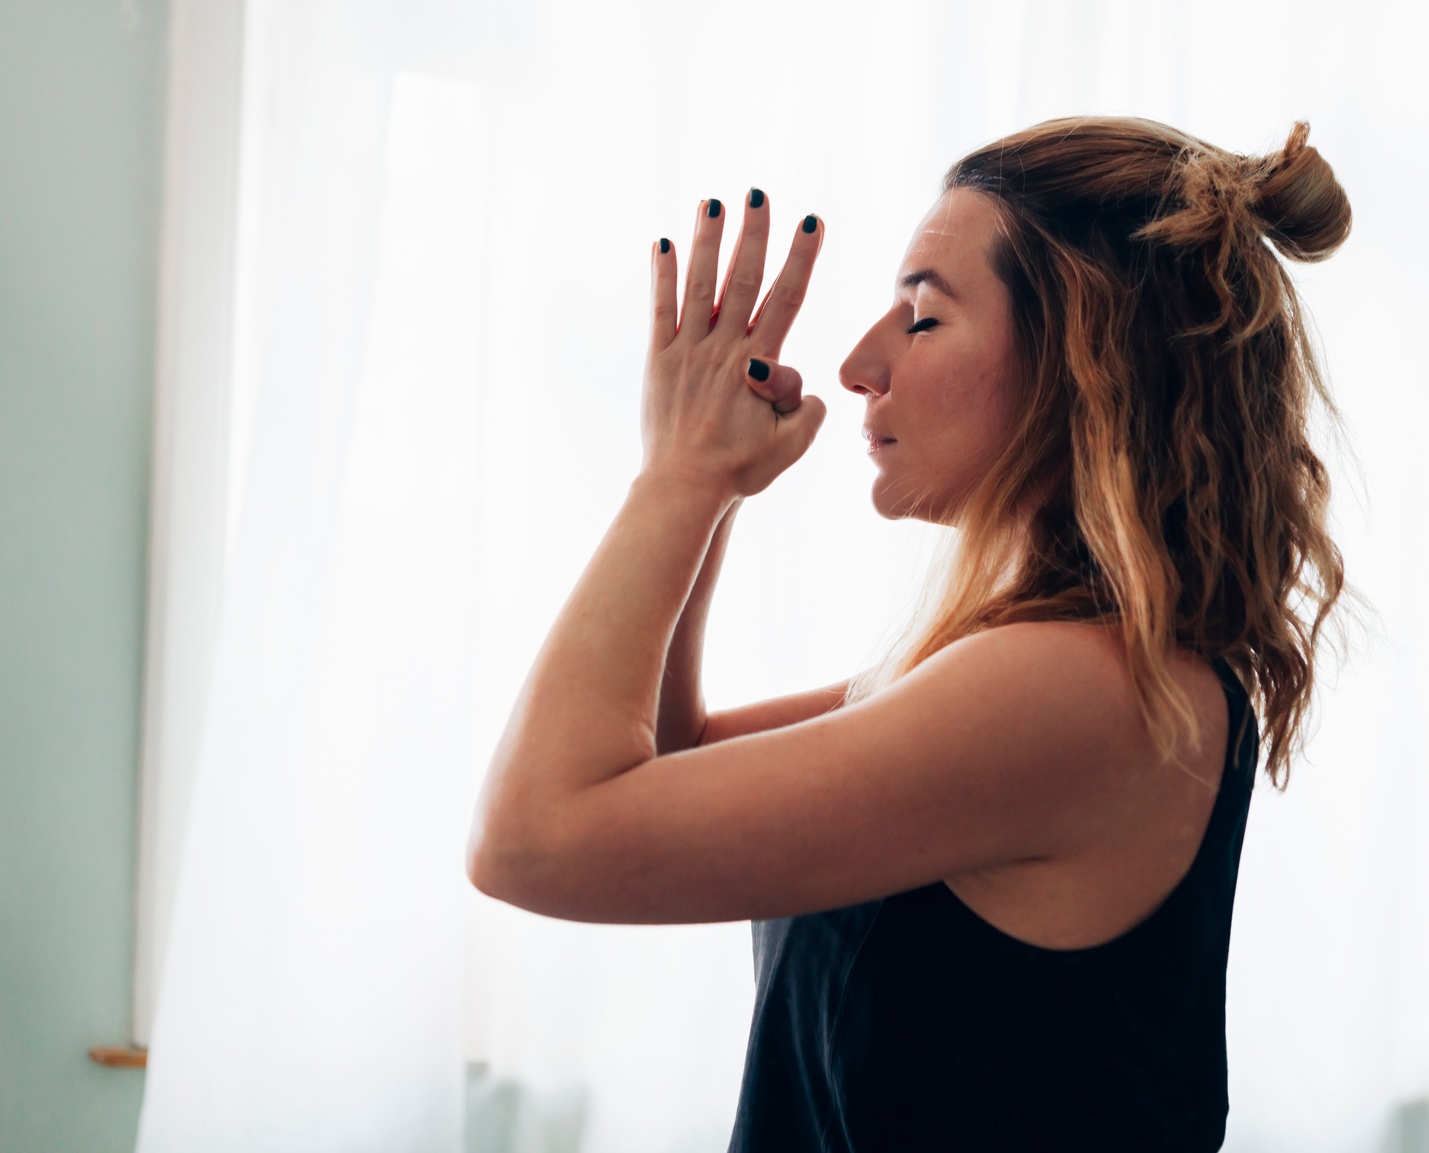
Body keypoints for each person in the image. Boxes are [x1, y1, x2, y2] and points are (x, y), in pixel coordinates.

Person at [467, 115, 1352, 1151]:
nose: (856, 365)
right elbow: (663, 764)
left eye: (920, 320)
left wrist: (677, 475)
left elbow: (533, 839)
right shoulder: (1031, 668)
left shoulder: (1077, 688)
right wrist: (703, 489)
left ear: (1082, 359)